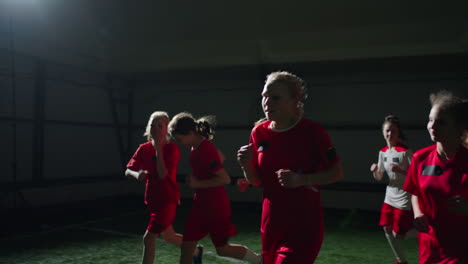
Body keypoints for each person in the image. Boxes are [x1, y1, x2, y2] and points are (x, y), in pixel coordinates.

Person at [237, 71, 344, 263]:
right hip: (270, 225)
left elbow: (337, 173)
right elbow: (258, 181)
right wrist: (246, 165)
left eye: (275, 98)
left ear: (295, 100)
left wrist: (302, 180)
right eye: (264, 97)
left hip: (303, 226)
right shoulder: (259, 132)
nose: (267, 102)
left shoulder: (312, 132)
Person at [168, 112, 262, 264]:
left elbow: (223, 178)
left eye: (180, 139)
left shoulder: (205, 149)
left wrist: (197, 183)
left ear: (191, 133)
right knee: (187, 246)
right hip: (200, 204)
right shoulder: (197, 146)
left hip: (215, 206)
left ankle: (260, 260)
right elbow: (220, 157)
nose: (179, 143)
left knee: (222, 249)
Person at [403, 90, 468, 263]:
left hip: (461, 248)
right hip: (429, 246)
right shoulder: (420, 159)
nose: (432, 126)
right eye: (430, 120)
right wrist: (418, 213)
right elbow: (415, 191)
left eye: (441, 122)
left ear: (460, 127)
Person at [125, 111, 199, 264]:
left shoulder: (172, 149)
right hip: (152, 199)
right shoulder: (143, 148)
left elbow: (162, 174)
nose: (156, 129)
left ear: (167, 130)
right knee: (169, 236)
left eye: (160, 126)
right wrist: (136, 174)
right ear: (148, 128)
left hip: (167, 199)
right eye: (153, 125)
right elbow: (128, 170)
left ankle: (194, 250)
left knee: (148, 238)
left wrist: (158, 148)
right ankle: (196, 250)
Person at [370, 115, 413, 264]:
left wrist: (400, 171)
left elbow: (416, 176)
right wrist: (375, 170)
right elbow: (379, 177)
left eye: (393, 131)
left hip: (404, 196)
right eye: (387, 131)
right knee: (386, 229)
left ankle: (425, 232)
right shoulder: (382, 152)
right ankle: (401, 261)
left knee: (398, 234)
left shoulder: (406, 151)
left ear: (398, 132)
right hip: (389, 195)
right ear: (383, 132)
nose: (390, 134)